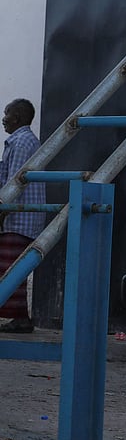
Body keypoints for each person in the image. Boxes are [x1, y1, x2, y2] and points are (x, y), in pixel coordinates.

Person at [0, 99, 47, 333]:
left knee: (10, 269)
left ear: (17, 118)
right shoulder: (24, 141)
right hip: (22, 217)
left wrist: (2, 213)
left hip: (19, 219)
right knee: (13, 268)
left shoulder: (20, 142)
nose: (3, 119)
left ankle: (19, 318)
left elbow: (13, 185)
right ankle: (20, 317)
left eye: (6, 114)